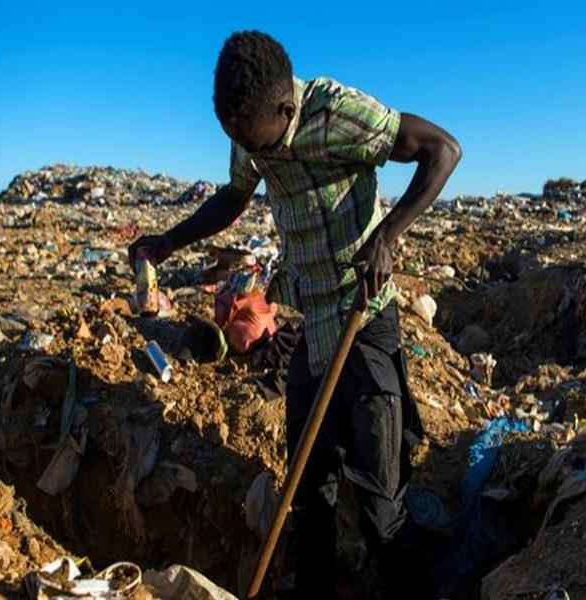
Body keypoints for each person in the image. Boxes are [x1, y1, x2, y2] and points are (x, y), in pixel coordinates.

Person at [129, 30, 461, 599]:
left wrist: (389, 234)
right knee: (307, 496)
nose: (247, 150)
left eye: (252, 139)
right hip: (312, 325)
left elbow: (443, 150)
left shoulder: (339, 113)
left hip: (363, 320)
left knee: (382, 515)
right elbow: (234, 197)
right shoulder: (249, 126)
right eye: (236, 139)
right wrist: (167, 242)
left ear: (286, 110)